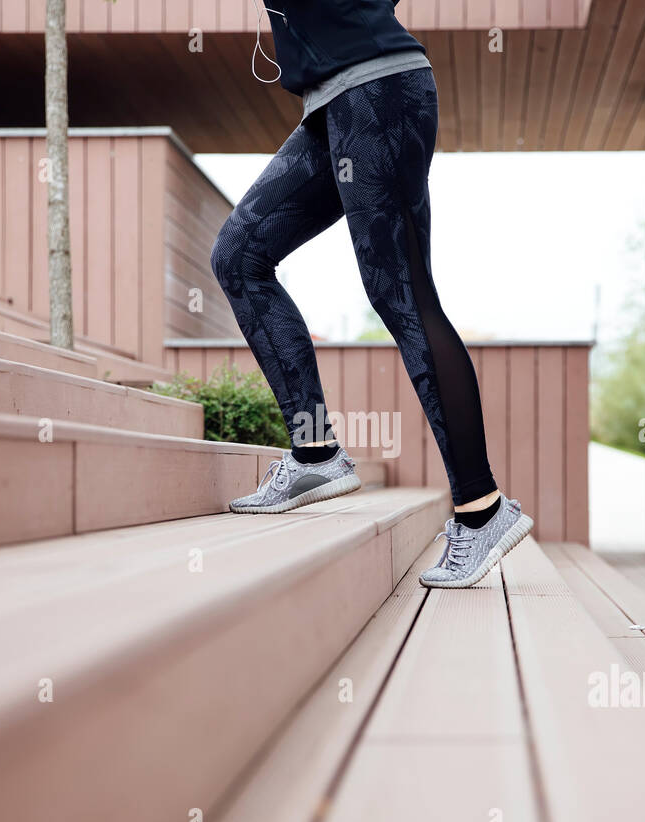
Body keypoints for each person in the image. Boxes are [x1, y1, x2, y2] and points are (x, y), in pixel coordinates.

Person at [210, 0, 533, 588]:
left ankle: (482, 509)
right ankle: (315, 454)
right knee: (239, 256)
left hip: (378, 91)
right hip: (333, 101)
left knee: (403, 295)